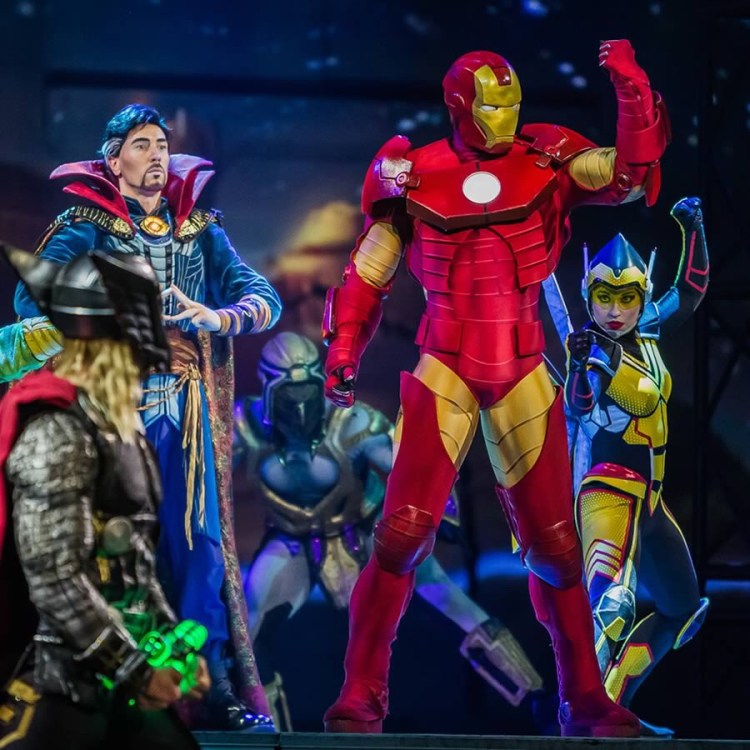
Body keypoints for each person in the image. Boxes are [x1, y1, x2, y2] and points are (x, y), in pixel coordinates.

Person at [321, 40, 670, 737]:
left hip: (521, 366)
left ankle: (585, 698)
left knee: (557, 549)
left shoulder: (547, 159)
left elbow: (628, 175)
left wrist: (632, 93)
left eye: (512, 104)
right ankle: (362, 693)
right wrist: (345, 348)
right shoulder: (411, 173)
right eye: (491, 105)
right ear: (460, 105)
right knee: (402, 534)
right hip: (446, 362)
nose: (505, 117)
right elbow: (369, 270)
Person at [13, 103, 281, 730]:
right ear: (114, 159)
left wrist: (214, 316)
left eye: (161, 143)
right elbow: (33, 299)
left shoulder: (201, 230)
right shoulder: (86, 223)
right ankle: (113, 689)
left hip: (182, 412)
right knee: (112, 545)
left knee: (199, 551)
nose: (156, 154)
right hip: (114, 410)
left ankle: (205, 690)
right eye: (141, 144)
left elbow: (262, 298)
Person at [233, 332, 543, 728]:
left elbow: (414, 467)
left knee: (448, 599)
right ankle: (263, 730)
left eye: (305, 391)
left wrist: (443, 514)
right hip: (291, 542)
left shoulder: (351, 423)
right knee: (248, 627)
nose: (299, 407)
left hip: (366, 532)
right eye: (287, 395)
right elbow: (206, 471)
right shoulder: (243, 426)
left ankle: (539, 698)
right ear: (267, 388)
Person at [0, 247, 208, 750]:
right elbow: (54, 580)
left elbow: (136, 568)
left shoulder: (124, 434)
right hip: (61, 679)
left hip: (122, 676)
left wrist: (174, 645)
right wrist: (134, 668)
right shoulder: (57, 431)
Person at [564, 196, 709, 735]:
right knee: (610, 607)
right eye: (604, 297)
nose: (615, 310)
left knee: (682, 610)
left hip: (650, 499)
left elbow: (690, 291)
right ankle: (581, 712)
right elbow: (581, 404)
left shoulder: (647, 331)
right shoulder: (593, 349)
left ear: (640, 296)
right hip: (607, 492)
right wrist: (583, 365)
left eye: (626, 297)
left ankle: (612, 706)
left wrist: (692, 227)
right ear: (589, 296)